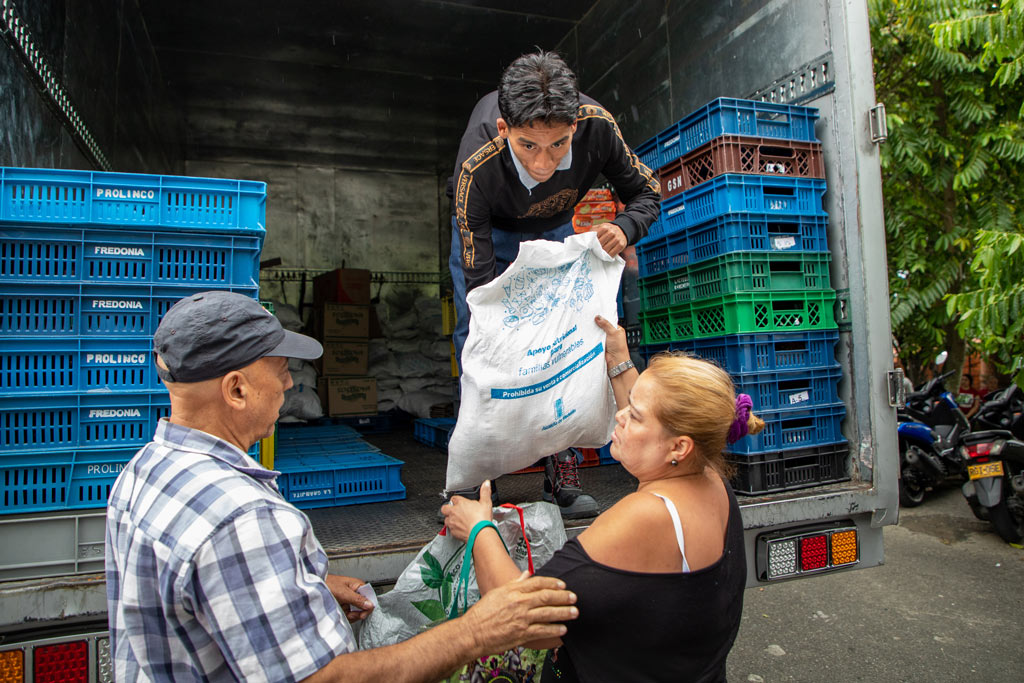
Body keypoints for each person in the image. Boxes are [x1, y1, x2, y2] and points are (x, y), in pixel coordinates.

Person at [105, 291, 578, 682]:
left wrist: (298, 585)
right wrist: (477, 632)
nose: (290, 383)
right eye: (280, 370)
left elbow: (194, 597)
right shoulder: (243, 519)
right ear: (236, 390)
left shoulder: (144, 473)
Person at [441, 315, 761, 682]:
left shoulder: (645, 516)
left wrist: (480, 529)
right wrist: (619, 360)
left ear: (679, 447)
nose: (620, 416)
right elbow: (659, 425)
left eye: (634, 416)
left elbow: (524, 616)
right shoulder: (709, 478)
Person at [447, 49, 661, 517]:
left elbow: (647, 191)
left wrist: (625, 227)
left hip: (556, 231)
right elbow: (483, 292)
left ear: (575, 130)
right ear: (504, 131)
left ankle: (560, 468)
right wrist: (507, 323)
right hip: (491, 235)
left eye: (558, 145)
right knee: (481, 342)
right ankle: (478, 476)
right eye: (528, 146)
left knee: (567, 339)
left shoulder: (598, 127)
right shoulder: (476, 167)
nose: (543, 164)